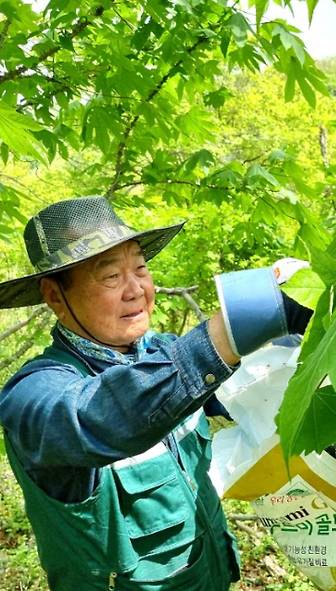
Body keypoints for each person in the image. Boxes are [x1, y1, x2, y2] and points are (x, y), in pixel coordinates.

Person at [0, 196, 312, 590]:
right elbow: (102, 415)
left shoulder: (160, 352)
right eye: (111, 276)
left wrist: (290, 339)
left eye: (141, 269)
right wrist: (232, 327)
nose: (136, 290)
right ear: (55, 297)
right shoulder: (33, 395)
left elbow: (239, 389)